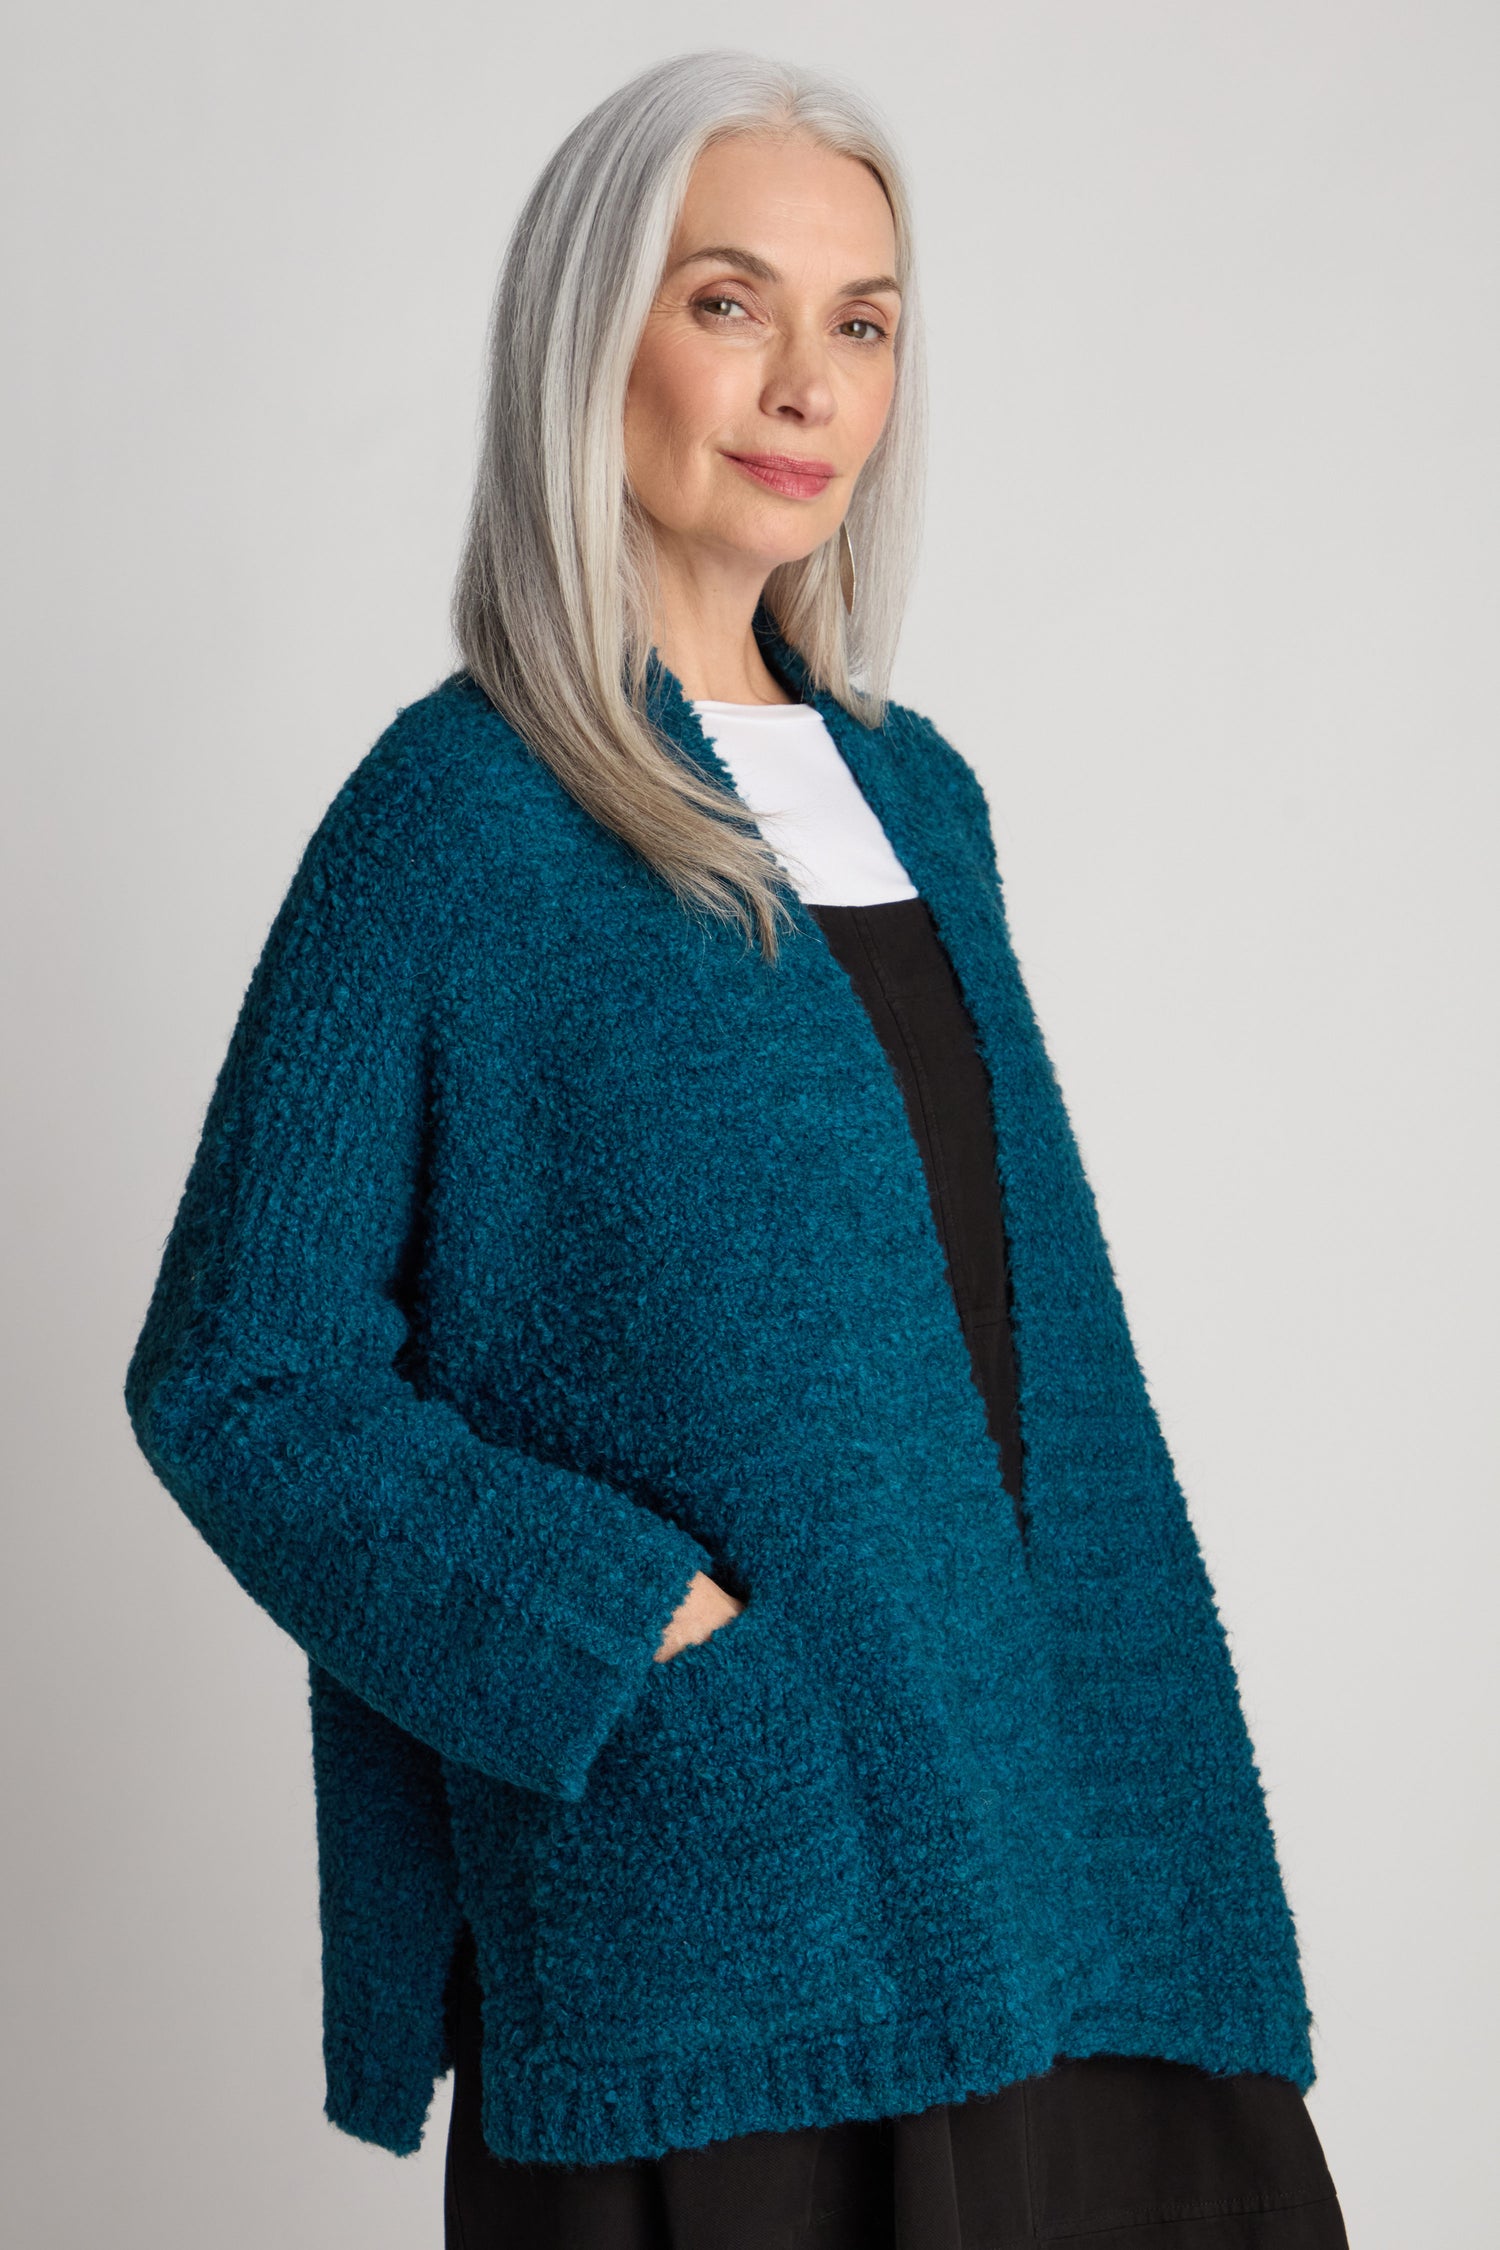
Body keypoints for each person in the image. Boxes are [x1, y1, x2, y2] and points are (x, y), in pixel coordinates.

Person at [124, 49, 1350, 2250]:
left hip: (1071, 1861)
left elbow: (985, 1339)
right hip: (725, 1894)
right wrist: (625, 1625)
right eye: (729, 301)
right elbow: (240, 1371)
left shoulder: (920, 794)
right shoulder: (460, 819)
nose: (805, 383)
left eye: (862, 322)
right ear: (592, 331)